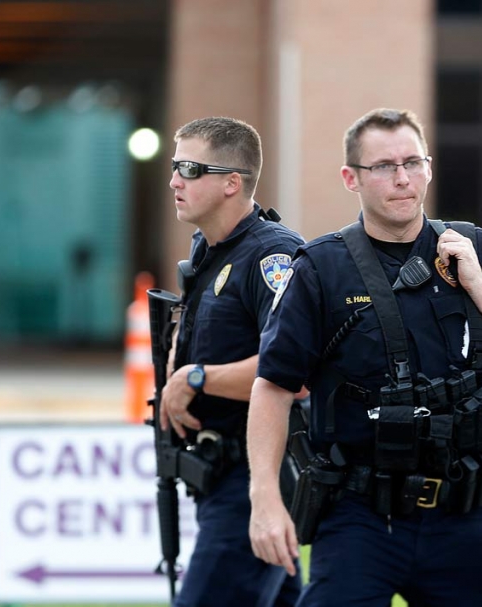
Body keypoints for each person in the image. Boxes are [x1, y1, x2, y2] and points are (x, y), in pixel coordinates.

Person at [246, 108, 482, 606]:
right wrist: (264, 496)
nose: (402, 177)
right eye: (384, 166)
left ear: (429, 167)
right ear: (352, 178)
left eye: (413, 161)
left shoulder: (476, 249)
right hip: (358, 517)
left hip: (463, 516)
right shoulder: (321, 268)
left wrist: (478, 286)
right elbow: (273, 386)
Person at [161, 116, 303, 607]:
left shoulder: (274, 256)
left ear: (231, 184)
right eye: (175, 166)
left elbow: (296, 372)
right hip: (218, 475)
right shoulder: (210, 249)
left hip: (254, 478)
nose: (175, 180)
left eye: (190, 168)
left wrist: (195, 378)